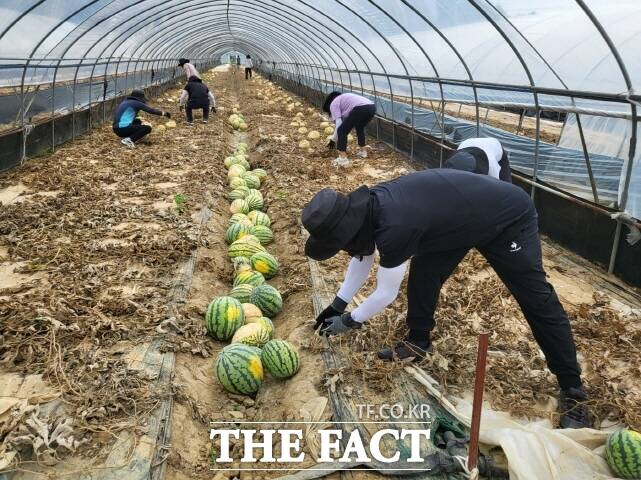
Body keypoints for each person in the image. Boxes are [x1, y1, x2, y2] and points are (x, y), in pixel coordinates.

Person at [302, 169, 590, 429]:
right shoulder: (368, 210)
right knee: (425, 273)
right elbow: (363, 258)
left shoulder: (395, 226)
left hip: (505, 216)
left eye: (339, 243)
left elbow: (385, 293)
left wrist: (349, 320)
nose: (343, 249)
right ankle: (418, 341)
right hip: (457, 222)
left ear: (348, 230)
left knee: (535, 298)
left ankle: (573, 391)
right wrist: (337, 304)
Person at [322, 91, 376, 167]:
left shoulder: (333, 104)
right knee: (359, 127)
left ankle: (342, 158)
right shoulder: (343, 99)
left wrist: (333, 140)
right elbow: (346, 121)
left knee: (341, 131)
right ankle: (363, 152)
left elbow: (339, 125)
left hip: (361, 108)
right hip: (371, 107)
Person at [445, 137, 512, 182]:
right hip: (471, 143)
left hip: (495, 146)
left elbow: (497, 188)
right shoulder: (455, 158)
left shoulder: (491, 165)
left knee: (507, 184)